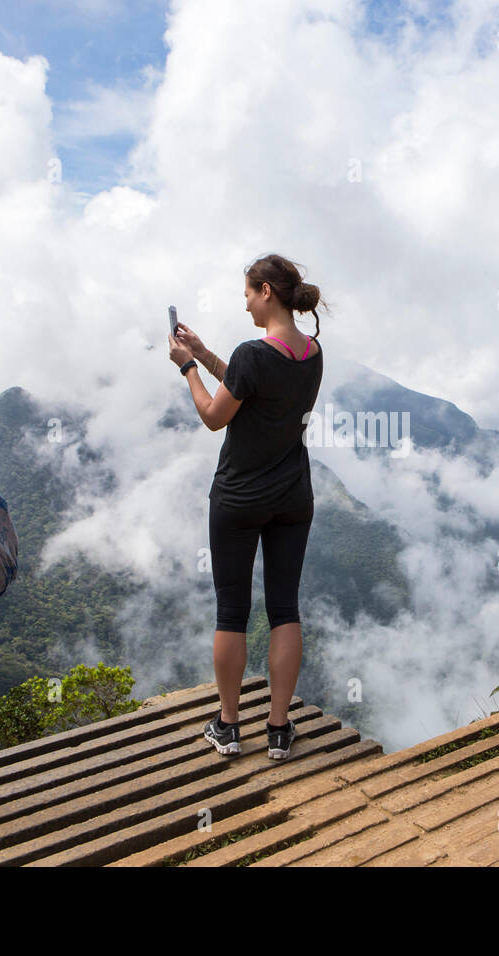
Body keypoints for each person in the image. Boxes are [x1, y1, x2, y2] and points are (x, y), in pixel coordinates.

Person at [168, 254, 327, 760]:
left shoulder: (253, 353)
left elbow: (217, 415)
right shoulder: (312, 352)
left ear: (265, 291)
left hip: (238, 498)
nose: (243, 302)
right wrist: (207, 351)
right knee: (285, 608)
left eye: (246, 293)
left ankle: (230, 726)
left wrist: (187, 366)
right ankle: (279, 729)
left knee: (231, 612)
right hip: (292, 497)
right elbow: (250, 387)